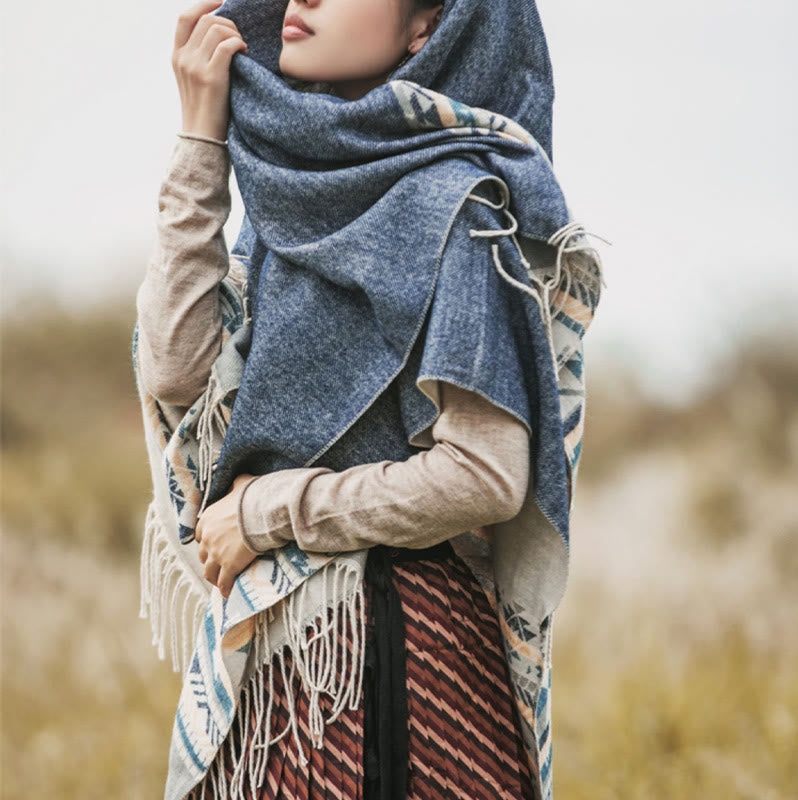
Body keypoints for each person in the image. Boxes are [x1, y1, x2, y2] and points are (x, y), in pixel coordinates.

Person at [135, 0, 599, 798]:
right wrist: (200, 142)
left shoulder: (454, 207)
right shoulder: (294, 203)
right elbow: (178, 374)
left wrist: (269, 511)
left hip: (402, 661)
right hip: (277, 668)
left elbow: (483, 476)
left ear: (428, 27)